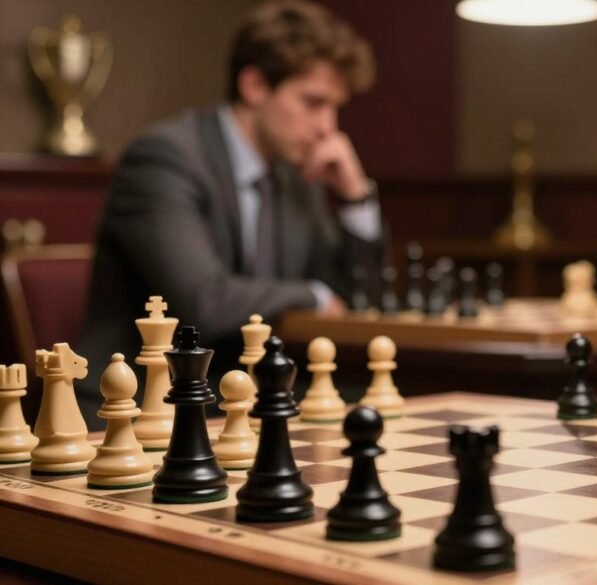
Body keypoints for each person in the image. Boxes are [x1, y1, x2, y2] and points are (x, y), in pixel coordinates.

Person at [78, 0, 386, 427]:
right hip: (139, 407)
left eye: (335, 108)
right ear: (256, 85)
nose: (327, 128)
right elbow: (204, 301)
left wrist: (355, 198)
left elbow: (356, 301)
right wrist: (312, 295)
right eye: (314, 103)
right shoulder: (164, 159)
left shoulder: (295, 176)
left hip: (241, 401)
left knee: (377, 415)